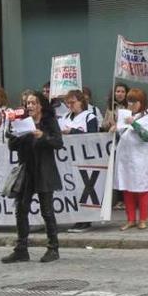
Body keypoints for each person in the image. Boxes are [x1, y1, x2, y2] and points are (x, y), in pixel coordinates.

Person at [1, 92, 63, 263]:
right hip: (26, 169)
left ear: (40, 105)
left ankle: (53, 248)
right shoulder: (21, 121)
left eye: (33, 103)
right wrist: (16, 132)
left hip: (44, 169)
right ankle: (21, 249)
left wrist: (42, 136)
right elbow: (12, 145)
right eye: (28, 103)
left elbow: (58, 142)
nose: (30, 106)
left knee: (47, 211)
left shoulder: (48, 121)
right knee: (21, 209)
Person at [113, 88, 148, 230]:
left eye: (134, 101)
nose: (131, 104)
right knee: (127, 188)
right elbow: (122, 133)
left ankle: (143, 219)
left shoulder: (147, 118)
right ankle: (130, 219)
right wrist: (115, 128)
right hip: (126, 158)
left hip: (140, 160)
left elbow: (147, 137)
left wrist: (134, 124)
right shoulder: (125, 116)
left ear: (141, 102)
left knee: (141, 188)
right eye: (129, 101)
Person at [59, 89, 98, 233]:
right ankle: (77, 219)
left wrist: (73, 132)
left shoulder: (89, 117)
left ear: (81, 102)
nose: (70, 105)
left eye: (72, 102)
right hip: (68, 159)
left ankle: (86, 220)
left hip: (85, 159)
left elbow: (93, 137)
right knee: (73, 189)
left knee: (86, 189)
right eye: (67, 103)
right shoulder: (64, 118)